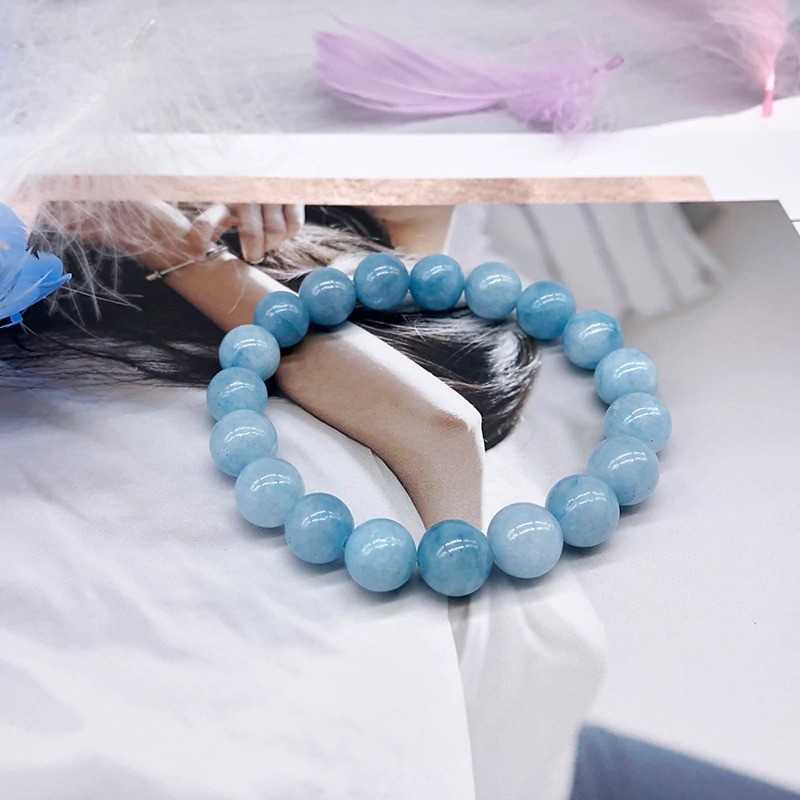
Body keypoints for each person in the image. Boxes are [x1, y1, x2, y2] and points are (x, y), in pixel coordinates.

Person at [1, 201, 796, 800]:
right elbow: (438, 415)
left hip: (544, 751)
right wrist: (165, 239)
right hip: (531, 751)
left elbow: (440, 404)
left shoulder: (431, 356)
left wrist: (167, 242)